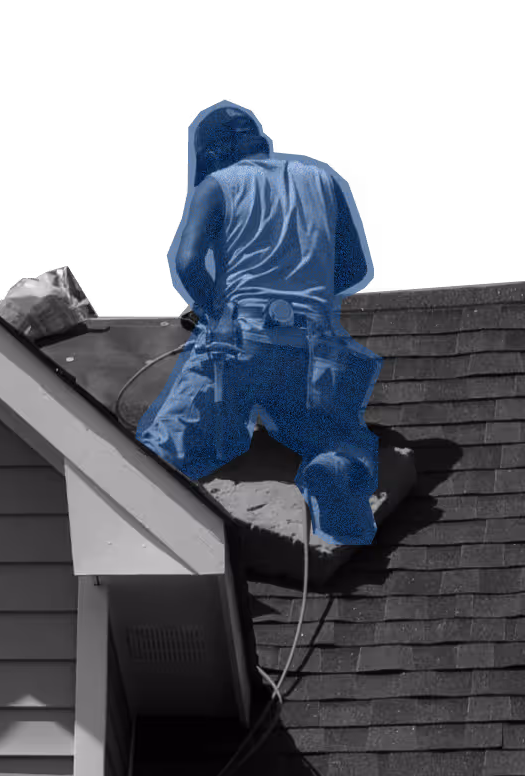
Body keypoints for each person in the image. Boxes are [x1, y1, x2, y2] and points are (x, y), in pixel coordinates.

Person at [136, 101, 382, 548]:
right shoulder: (323, 179)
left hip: (241, 341)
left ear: (213, 154)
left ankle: (143, 530)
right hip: (313, 349)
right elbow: (354, 268)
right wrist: (304, 293)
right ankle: (332, 465)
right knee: (337, 435)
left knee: (164, 452)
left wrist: (217, 313)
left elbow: (188, 263)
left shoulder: (217, 185)